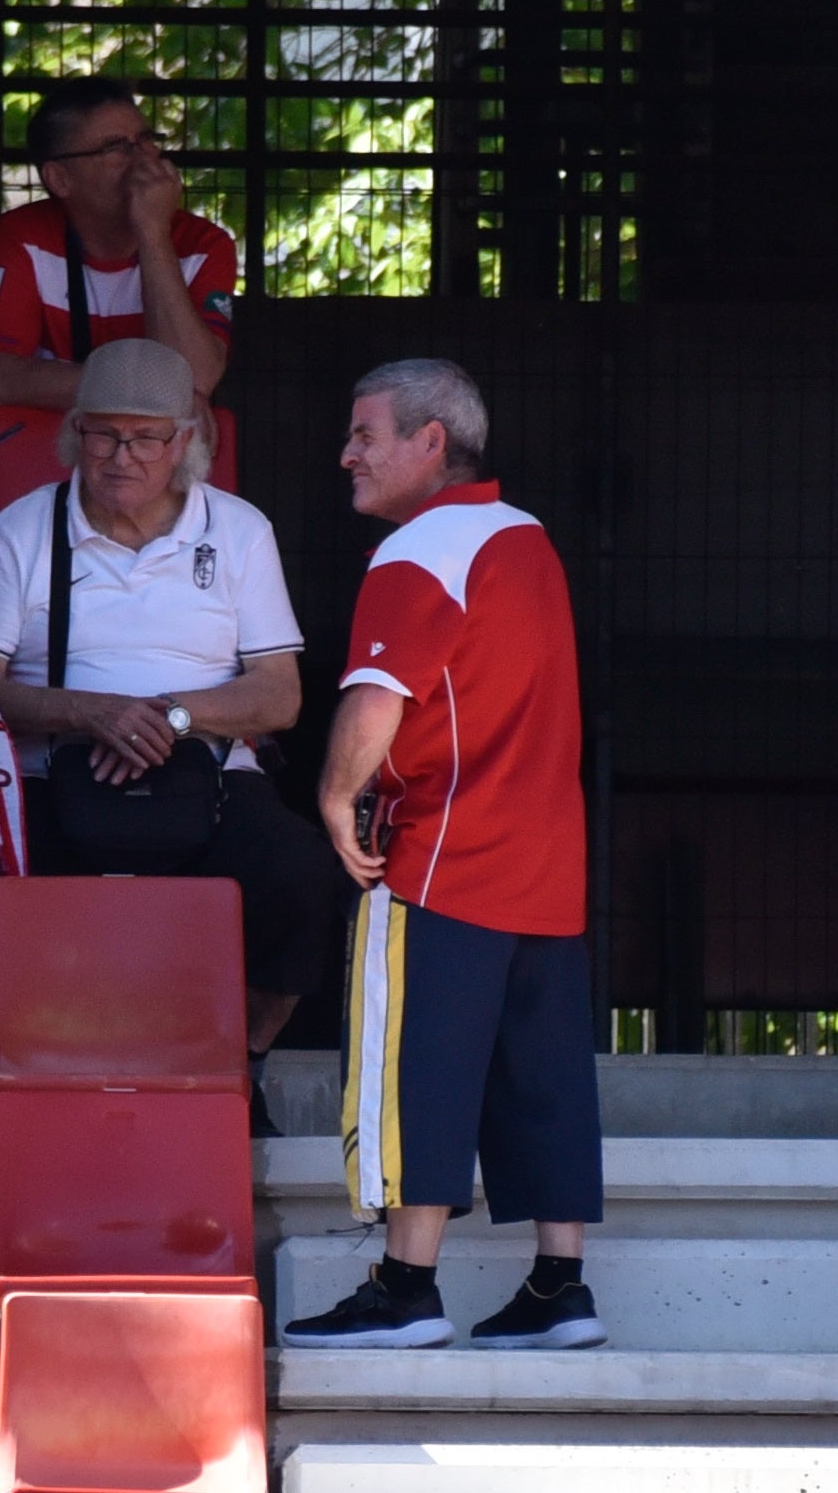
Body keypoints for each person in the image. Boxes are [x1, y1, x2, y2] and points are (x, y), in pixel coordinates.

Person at [281, 359, 606, 1351]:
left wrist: (333, 796)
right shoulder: (526, 537)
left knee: (415, 1067)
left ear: (431, 442)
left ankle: (404, 1287)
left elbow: (378, 696)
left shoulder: (420, 548)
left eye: (365, 434)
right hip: (546, 857)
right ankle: (559, 1288)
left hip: (443, 856)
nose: (346, 454)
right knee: (543, 1074)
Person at [0, 337, 343, 1129]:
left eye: (143, 438)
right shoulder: (22, 530)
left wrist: (168, 716)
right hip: (50, 774)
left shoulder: (237, 530)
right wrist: (89, 713)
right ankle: (34, 1080)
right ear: (74, 433)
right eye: (102, 433)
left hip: (207, 774)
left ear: (185, 442)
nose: (119, 456)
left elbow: (279, 696)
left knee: (301, 877)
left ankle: (237, 1063)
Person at [0, 76, 240, 524]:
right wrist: (149, 396)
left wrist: (153, 232)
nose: (145, 159)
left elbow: (195, 380)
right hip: (43, 481)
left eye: (147, 140)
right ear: (60, 178)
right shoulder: (20, 237)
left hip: (161, 487)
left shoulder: (204, 244)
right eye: (117, 148)